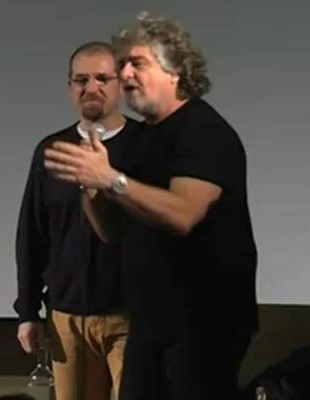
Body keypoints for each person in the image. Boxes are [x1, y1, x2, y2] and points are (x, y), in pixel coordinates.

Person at [44, 13, 258, 400]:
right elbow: (111, 231)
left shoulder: (203, 131)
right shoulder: (146, 140)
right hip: (150, 319)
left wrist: (112, 179)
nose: (125, 74)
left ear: (174, 70)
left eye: (137, 63)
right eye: (123, 64)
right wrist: (91, 184)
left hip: (203, 324)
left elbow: (183, 214)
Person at [15, 42, 139, 400]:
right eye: (81, 80)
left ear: (121, 85)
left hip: (131, 317)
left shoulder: (146, 145)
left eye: (102, 78)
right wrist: (28, 311)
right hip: (67, 317)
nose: (91, 88)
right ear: (70, 87)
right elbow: (32, 235)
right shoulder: (52, 150)